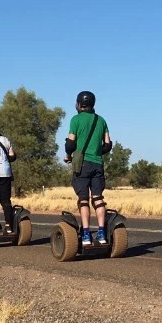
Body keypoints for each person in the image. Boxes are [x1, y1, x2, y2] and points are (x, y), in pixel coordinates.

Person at [63, 91, 113, 246]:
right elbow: (107, 145)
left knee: (83, 200)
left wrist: (68, 155)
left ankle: (85, 235)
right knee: (98, 198)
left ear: (79, 104)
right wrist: (96, 152)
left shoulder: (76, 120)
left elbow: (70, 143)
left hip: (82, 164)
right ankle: (102, 234)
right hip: (98, 163)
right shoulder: (101, 120)